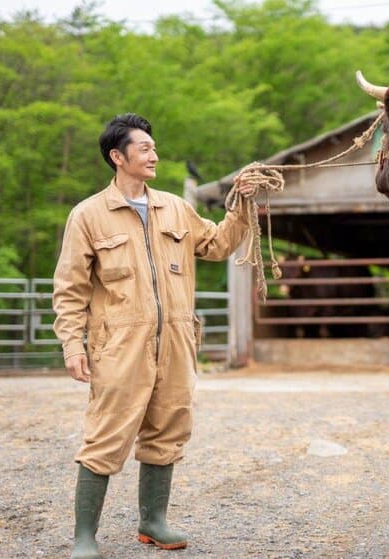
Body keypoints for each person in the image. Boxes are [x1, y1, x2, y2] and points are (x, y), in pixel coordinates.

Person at [52, 113, 255, 559]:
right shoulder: (88, 215)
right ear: (117, 157)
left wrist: (241, 204)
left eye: (153, 146)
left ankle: (153, 521)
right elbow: (70, 289)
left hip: (178, 341)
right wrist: (72, 343)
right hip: (120, 345)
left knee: (169, 428)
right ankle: (85, 536)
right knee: (106, 434)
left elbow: (218, 245)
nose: (154, 155)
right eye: (144, 148)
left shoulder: (175, 208)